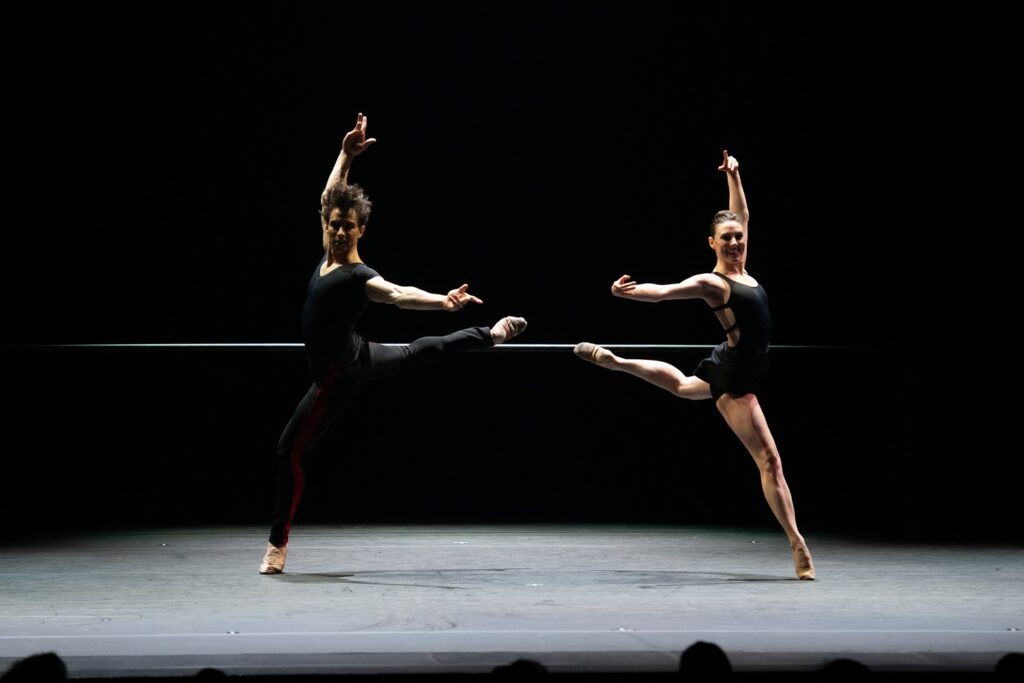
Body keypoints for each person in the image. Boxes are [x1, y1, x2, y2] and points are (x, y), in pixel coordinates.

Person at [260, 113, 527, 574]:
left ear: (361, 229)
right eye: (333, 224)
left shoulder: (358, 276)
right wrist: (346, 153)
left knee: (289, 450)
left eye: (347, 225)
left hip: (335, 378)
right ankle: (489, 336)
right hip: (357, 353)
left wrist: (444, 301)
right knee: (416, 351)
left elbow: (400, 295)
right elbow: (328, 197)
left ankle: (277, 545)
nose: (338, 230)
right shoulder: (327, 252)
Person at [573, 150, 814, 580]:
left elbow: (741, 212)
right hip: (738, 379)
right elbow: (667, 291)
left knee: (686, 388)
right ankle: (798, 544)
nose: (736, 242)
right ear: (712, 243)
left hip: (737, 363)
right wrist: (628, 293)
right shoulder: (713, 283)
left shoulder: (743, 265)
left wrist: (735, 174)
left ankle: (615, 361)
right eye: (726, 238)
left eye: (738, 236)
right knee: (770, 462)